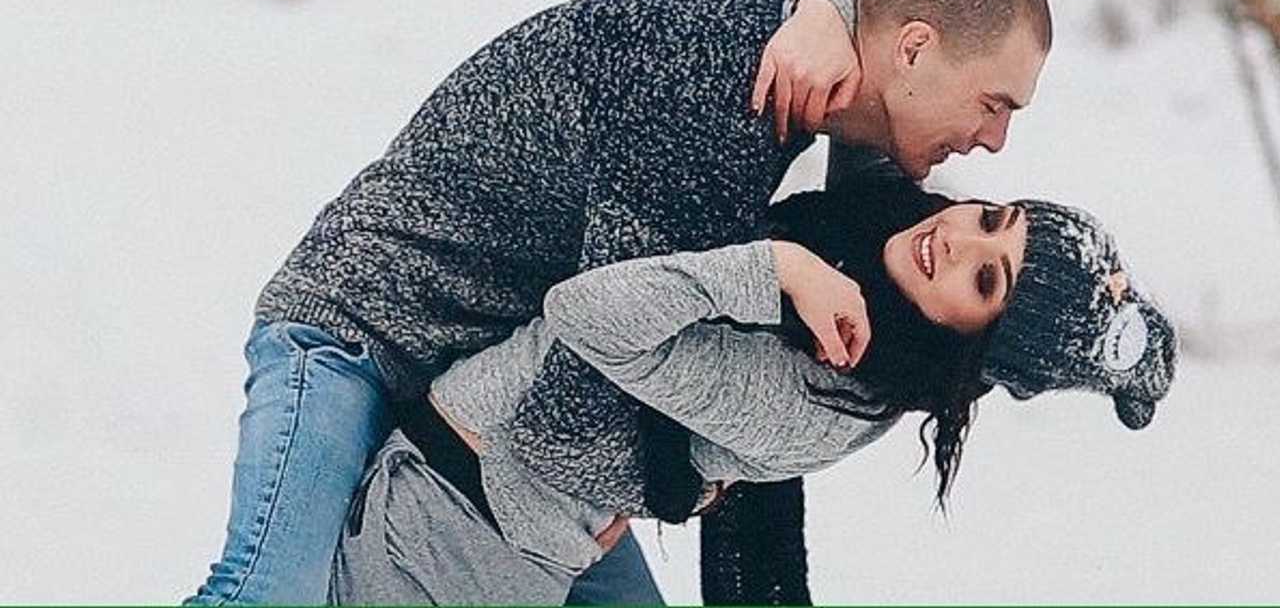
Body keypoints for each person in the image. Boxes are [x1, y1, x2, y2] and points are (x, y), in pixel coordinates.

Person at [189, 0, 1052, 605]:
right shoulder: (718, 82)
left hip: (484, 364)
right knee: (268, 595)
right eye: (993, 103)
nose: (996, 141)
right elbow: (577, 398)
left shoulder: (810, 50)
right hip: (365, 329)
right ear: (909, 52)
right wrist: (671, 482)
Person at [329, 153, 1177, 605]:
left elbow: (584, 317)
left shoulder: (822, 398)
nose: (958, 239)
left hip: (468, 542)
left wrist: (771, 269)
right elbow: (876, 97)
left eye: (985, 280)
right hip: (466, 494)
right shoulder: (885, 233)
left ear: (971, 352)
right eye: (993, 218)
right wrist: (818, 9)